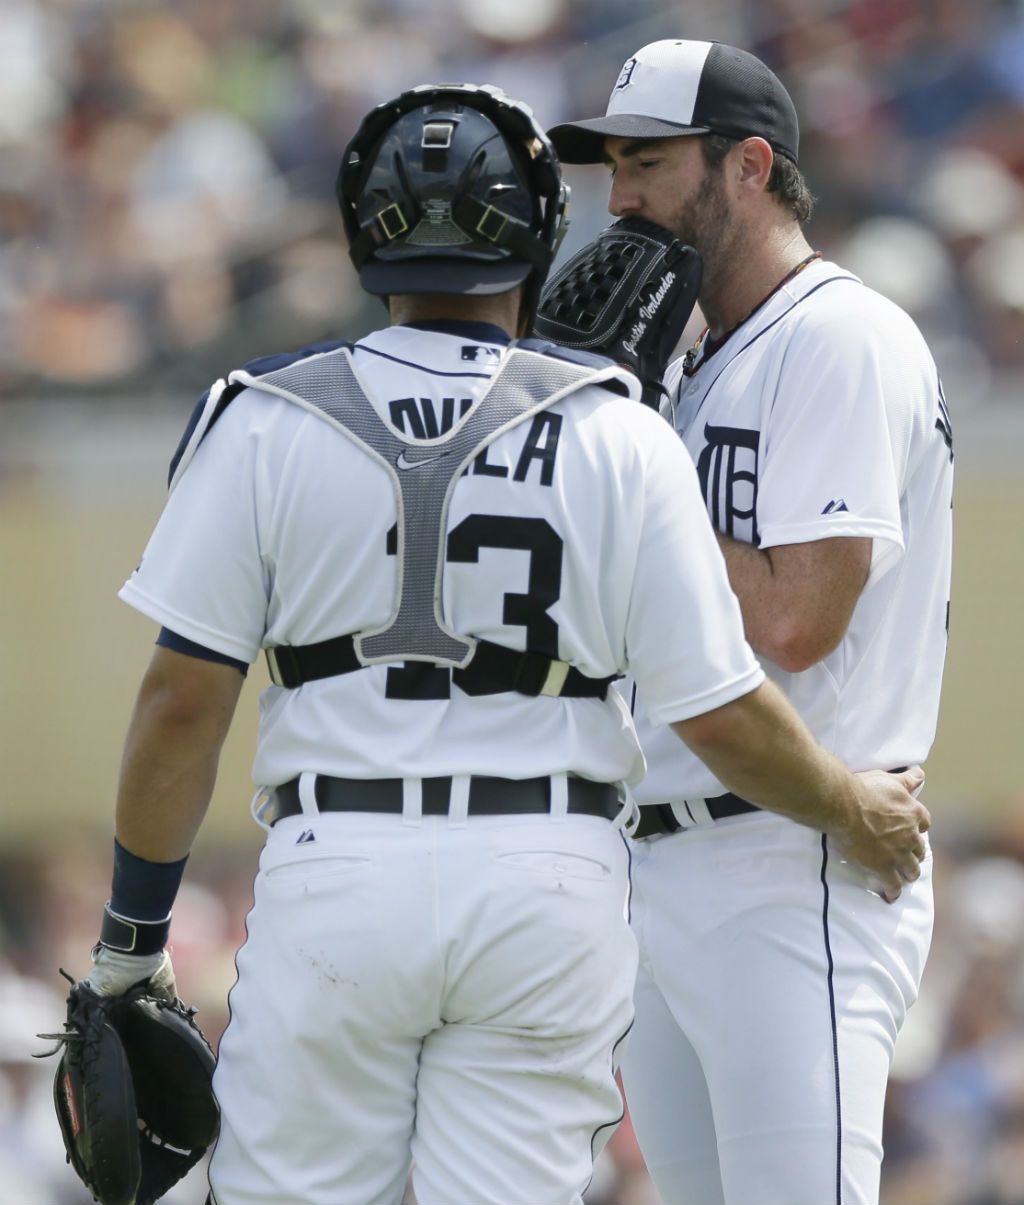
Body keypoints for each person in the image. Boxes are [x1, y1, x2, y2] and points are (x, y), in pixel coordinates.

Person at [74, 82, 929, 1205]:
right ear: (539, 229)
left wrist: (136, 938)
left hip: (341, 862)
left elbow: (181, 706)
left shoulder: (261, 415)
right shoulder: (617, 425)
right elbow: (720, 710)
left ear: (361, 228)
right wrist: (848, 802)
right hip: (549, 875)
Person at [548, 38, 953, 1205]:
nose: (618, 198)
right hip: (666, 858)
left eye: (647, 163)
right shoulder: (689, 358)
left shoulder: (837, 332)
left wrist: (632, 471)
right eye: (612, 166)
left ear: (748, 166)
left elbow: (796, 617)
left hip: (795, 855)